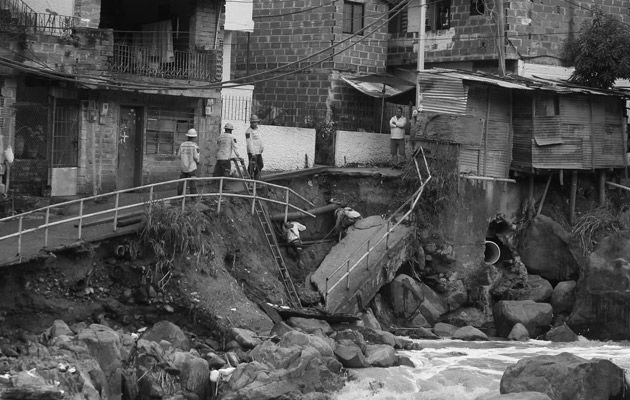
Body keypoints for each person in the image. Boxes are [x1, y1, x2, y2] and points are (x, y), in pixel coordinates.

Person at [177, 128, 200, 196]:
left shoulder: (182, 145)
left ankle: (179, 195)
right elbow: (196, 157)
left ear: (188, 136)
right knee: (192, 182)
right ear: (194, 137)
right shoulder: (194, 146)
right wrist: (198, 162)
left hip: (184, 167)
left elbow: (178, 156)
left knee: (181, 182)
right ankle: (193, 197)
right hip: (191, 168)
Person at [246, 114, 264, 180]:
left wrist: (261, 147)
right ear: (251, 122)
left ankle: (255, 176)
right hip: (252, 152)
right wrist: (252, 153)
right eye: (253, 122)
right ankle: (250, 179)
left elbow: (260, 140)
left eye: (256, 122)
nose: (254, 123)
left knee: (260, 165)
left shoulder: (258, 130)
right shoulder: (248, 131)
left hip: (258, 151)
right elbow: (249, 143)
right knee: (251, 166)